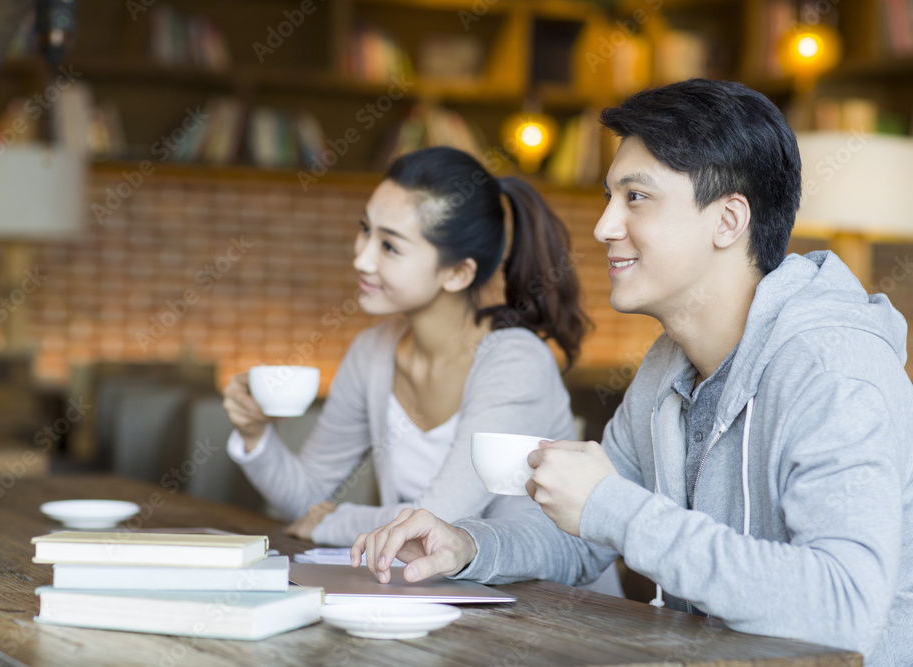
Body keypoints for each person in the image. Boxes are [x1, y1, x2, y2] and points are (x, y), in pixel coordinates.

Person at [352, 79, 913, 665]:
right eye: (608, 196)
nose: (603, 226)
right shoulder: (669, 363)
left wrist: (614, 507)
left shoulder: (832, 371)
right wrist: (469, 545)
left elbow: (846, 607)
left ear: (729, 220)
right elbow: (582, 534)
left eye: (636, 197)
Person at [223, 146, 598, 555]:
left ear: (457, 272)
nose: (361, 258)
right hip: (426, 592)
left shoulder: (515, 363)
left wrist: (335, 521)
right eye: (365, 229)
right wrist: (255, 435)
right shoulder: (372, 352)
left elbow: (436, 526)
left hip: (550, 607)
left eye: (390, 246)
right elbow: (304, 503)